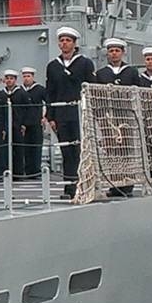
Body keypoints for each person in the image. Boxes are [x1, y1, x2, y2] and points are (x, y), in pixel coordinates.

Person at [46, 26, 95, 198]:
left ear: (74, 44)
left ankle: (84, 184)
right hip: (61, 113)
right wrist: (50, 116)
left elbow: (90, 88)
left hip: (79, 113)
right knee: (66, 151)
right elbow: (50, 91)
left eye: (68, 40)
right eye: (62, 40)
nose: (64, 43)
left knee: (81, 150)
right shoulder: (53, 66)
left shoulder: (85, 63)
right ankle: (69, 187)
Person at [13, 67, 45, 179]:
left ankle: (35, 171)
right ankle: (26, 169)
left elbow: (48, 101)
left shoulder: (39, 89)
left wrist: (45, 117)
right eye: (24, 76)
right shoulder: (20, 91)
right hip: (23, 124)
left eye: (28, 76)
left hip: (35, 122)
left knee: (36, 147)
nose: (26, 79)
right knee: (24, 148)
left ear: (33, 77)